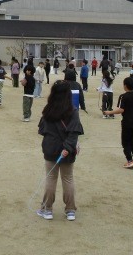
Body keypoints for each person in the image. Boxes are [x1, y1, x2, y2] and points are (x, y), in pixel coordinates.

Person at [36, 80, 84, 221]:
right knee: (67, 178)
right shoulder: (73, 111)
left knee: (51, 178)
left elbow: (42, 130)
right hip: (67, 149)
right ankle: (70, 210)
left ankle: (47, 209)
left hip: (51, 148)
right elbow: (74, 132)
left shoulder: (48, 110)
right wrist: (68, 147)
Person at [103, 77, 133, 168]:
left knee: (126, 142)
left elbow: (121, 110)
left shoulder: (123, 96)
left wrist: (109, 112)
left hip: (127, 123)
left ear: (125, 86)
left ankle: (130, 161)